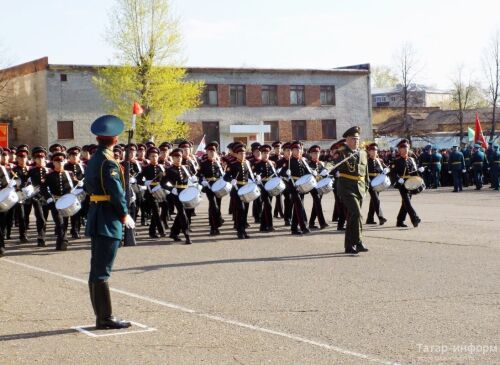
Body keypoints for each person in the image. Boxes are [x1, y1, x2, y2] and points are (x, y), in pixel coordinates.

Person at [84, 114, 134, 330]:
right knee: (102, 270)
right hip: (107, 217)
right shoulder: (108, 161)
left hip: (97, 213)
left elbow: (87, 187)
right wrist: (124, 214)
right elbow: (115, 191)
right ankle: (105, 318)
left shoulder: (95, 159)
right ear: (114, 139)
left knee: (96, 269)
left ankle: (101, 316)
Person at [334, 127, 369, 254]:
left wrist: (366, 188)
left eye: (358, 139)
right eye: (353, 139)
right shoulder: (342, 153)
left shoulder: (363, 153)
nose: (356, 141)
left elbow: (365, 173)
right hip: (346, 188)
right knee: (356, 214)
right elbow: (333, 164)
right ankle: (358, 242)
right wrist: (329, 170)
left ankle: (349, 246)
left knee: (353, 216)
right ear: (347, 140)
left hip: (359, 188)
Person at [162, 148, 193, 244]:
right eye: (175, 157)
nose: (178, 159)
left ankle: (174, 232)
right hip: (176, 193)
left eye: (179, 157)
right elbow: (163, 183)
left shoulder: (186, 168)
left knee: (184, 213)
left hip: (186, 192)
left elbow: (191, 177)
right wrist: (171, 189)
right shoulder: (169, 170)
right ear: (172, 158)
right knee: (182, 213)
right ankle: (187, 235)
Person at [391, 139, 424, 228]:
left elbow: (414, 172)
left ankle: (400, 221)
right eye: (403, 148)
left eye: (406, 148)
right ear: (399, 150)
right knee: (407, 202)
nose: (405, 150)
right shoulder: (396, 161)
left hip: (411, 184)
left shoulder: (412, 159)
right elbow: (393, 173)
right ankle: (415, 218)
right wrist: (398, 179)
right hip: (402, 184)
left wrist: (420, 171)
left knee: (405, 203)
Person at [223, 144, 252, 239]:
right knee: (240, 211)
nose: (243, 155)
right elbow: (226, 177)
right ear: (236, 154)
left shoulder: (247, 163)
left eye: (244, 153)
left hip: (246, 189)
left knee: (245, 211)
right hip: (237, 190)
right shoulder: (232, 164)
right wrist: (231, 179)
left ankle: (244, 230)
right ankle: (240, 231)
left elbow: (249, 176)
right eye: (240, 153)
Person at [197, 142, 224, 235]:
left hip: (218, 186)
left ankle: (217, 222)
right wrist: (202, 181)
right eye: (210, 151)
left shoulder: (218, 163)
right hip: (209, 186)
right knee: (213, 205)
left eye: (213, 151)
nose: (212, 153)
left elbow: (221, 174)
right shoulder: (204, 163)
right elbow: (199, 175)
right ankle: (214, 227)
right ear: (207, 152)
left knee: (218, 205)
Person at [252, 144, 276, 232]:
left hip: (271, 187)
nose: (266, 155)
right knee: (268, 206)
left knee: (267, 206)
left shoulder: (272, 163)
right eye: (264, 153)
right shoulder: (257, 164)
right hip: (262, 187)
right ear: (261, 154)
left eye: (267, 153)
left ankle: (262, 226)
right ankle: (270, 225)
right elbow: (253, 176)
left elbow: (274, 175)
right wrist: (257, 178)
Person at [307, 145, 329, 230]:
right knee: (318, 203)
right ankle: (322, 222)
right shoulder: (309, 164)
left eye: (317, 153)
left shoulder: (320, 164)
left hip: (320, 186)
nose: (316, 155)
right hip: (313, 186)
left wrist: (325, 173)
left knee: (316, 204)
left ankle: (311, 223)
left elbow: (325, 174)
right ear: (311, 154)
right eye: (314, 153)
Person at [365, 143, 388, 225]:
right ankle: (381, 217)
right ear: (369, 152)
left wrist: (386, 170)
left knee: (373, 201)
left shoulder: (379, 160)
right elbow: (364, 172)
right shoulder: (366, 161)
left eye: (375, 150)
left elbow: (386, 168)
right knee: (376, 199)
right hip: (371, 182)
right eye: (372, 150)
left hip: (378, 182)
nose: (374, 152)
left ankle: (369, 219)